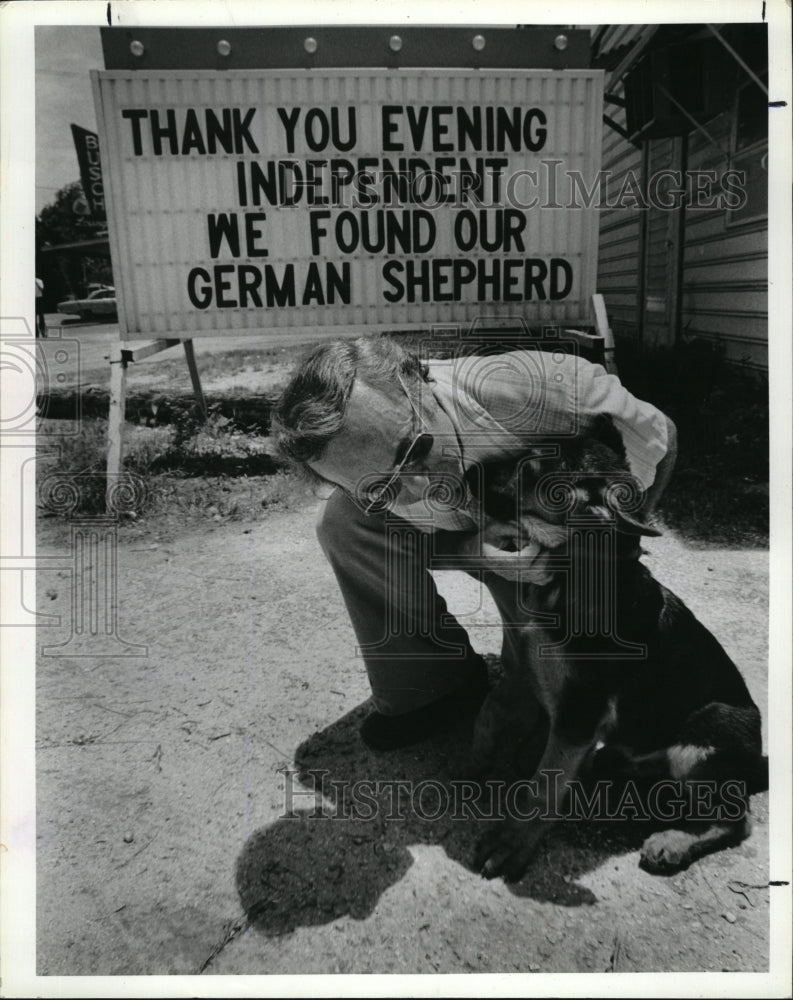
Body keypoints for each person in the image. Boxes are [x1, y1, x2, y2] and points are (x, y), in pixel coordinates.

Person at [274, 336, 677, 751]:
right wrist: (470, 551)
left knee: (536, 730)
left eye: (415, 449)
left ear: (421, 385)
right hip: (488, 540)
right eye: (382, 489)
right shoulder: (365, 478)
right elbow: (408, 534)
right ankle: (435, 687)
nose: (421, 488)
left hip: (550, 552)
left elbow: (663, 439)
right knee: (341, 522)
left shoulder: (554, 393)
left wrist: (609, 556)